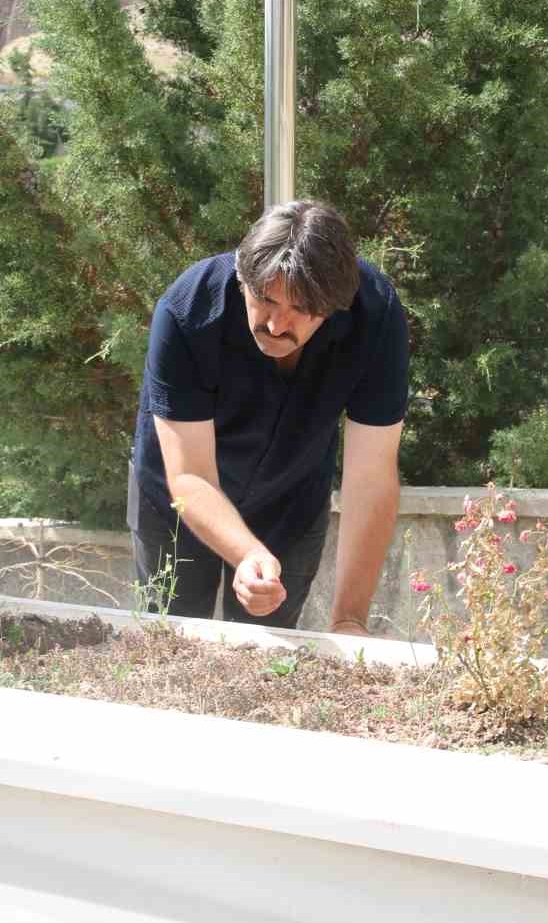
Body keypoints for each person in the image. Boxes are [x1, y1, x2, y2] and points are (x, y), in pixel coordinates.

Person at [128, 199, 409, 636]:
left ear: (336, 306)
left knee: (270, 656)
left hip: (291, 500)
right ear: (243, 276)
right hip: (177, 499)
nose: (277, 326)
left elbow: (371, 474)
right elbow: (191, 478)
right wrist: (246, 554)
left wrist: (350, 618)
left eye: (301, 309)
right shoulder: (187, 309)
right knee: (171, 641)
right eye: (264, 299)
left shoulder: (376, 315)